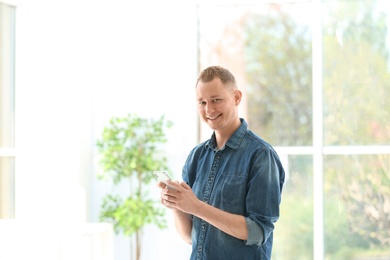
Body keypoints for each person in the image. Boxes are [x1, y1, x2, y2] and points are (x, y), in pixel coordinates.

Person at [158, 65, 285, 260]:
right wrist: (177, 205)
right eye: (202, 102)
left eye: (216, 100)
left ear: (236, 98)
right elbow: (191, 236)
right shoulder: (196, 156)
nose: (209, 109)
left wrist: (196, 206)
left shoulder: (261, 155)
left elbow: (258, 231)